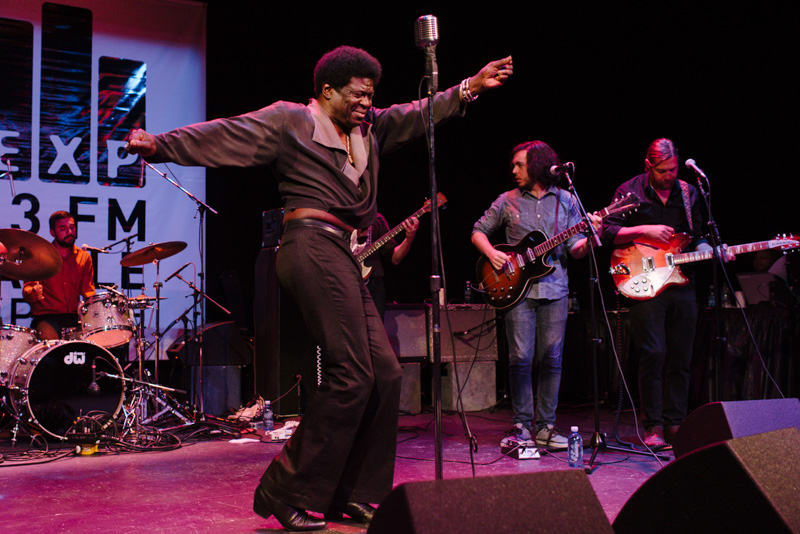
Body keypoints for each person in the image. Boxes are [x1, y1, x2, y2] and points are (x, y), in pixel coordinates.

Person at [126, 45, 513, 531]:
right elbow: (226, 132)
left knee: (386, 375)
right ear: (326, 90)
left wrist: (470, 87)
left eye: (370, 95)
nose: (365, 102)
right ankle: (282, 489)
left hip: (347, 255)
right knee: (351, 373)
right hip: (309, 245)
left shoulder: (370, 129)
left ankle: (349, 493)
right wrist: (159, 144)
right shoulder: (292, 121)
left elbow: (418, 113)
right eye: (355, 94)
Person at [602, 138, 732, 449]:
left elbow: (697, 237)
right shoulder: (629, 191)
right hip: (643, 281)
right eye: (662, 170)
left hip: (681, 282)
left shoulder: (689, 192)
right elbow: (606, 231)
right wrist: (643, 230)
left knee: (680, 355)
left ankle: (675, 423)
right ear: (648, 166)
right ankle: (653, 425)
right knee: (653, 353)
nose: (669, 175)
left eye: (673, 169)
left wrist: (713, 251)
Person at [471, 140, 601, 451]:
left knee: (552, 359)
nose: (513, 170)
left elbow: (575, 249)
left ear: (538, 166)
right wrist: (492, 254)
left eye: (519, 164)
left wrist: (593, 237)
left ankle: (546, 426)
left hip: (555, 289)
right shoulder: (508, 200)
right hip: (517, 292)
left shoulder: (567, 200)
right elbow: (477, 230)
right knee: (520, 358)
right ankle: (521, 424)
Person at [22, 211, 95, 340]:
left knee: (89, 348)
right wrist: (33, 292)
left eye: (72, 227)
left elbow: (88, 292)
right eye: (63, 228)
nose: (69, 232)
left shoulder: (84, 257)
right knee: (52, 348)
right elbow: (27, 292)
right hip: (46, 318)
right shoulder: (40, 256)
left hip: (74, 318)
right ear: (52, 232)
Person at [360, 213, 419, 320]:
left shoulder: (376, 219)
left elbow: (395, 258)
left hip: (373, 285)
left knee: (376, 332)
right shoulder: (339, 218)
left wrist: (409, 238)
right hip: (344, 283)